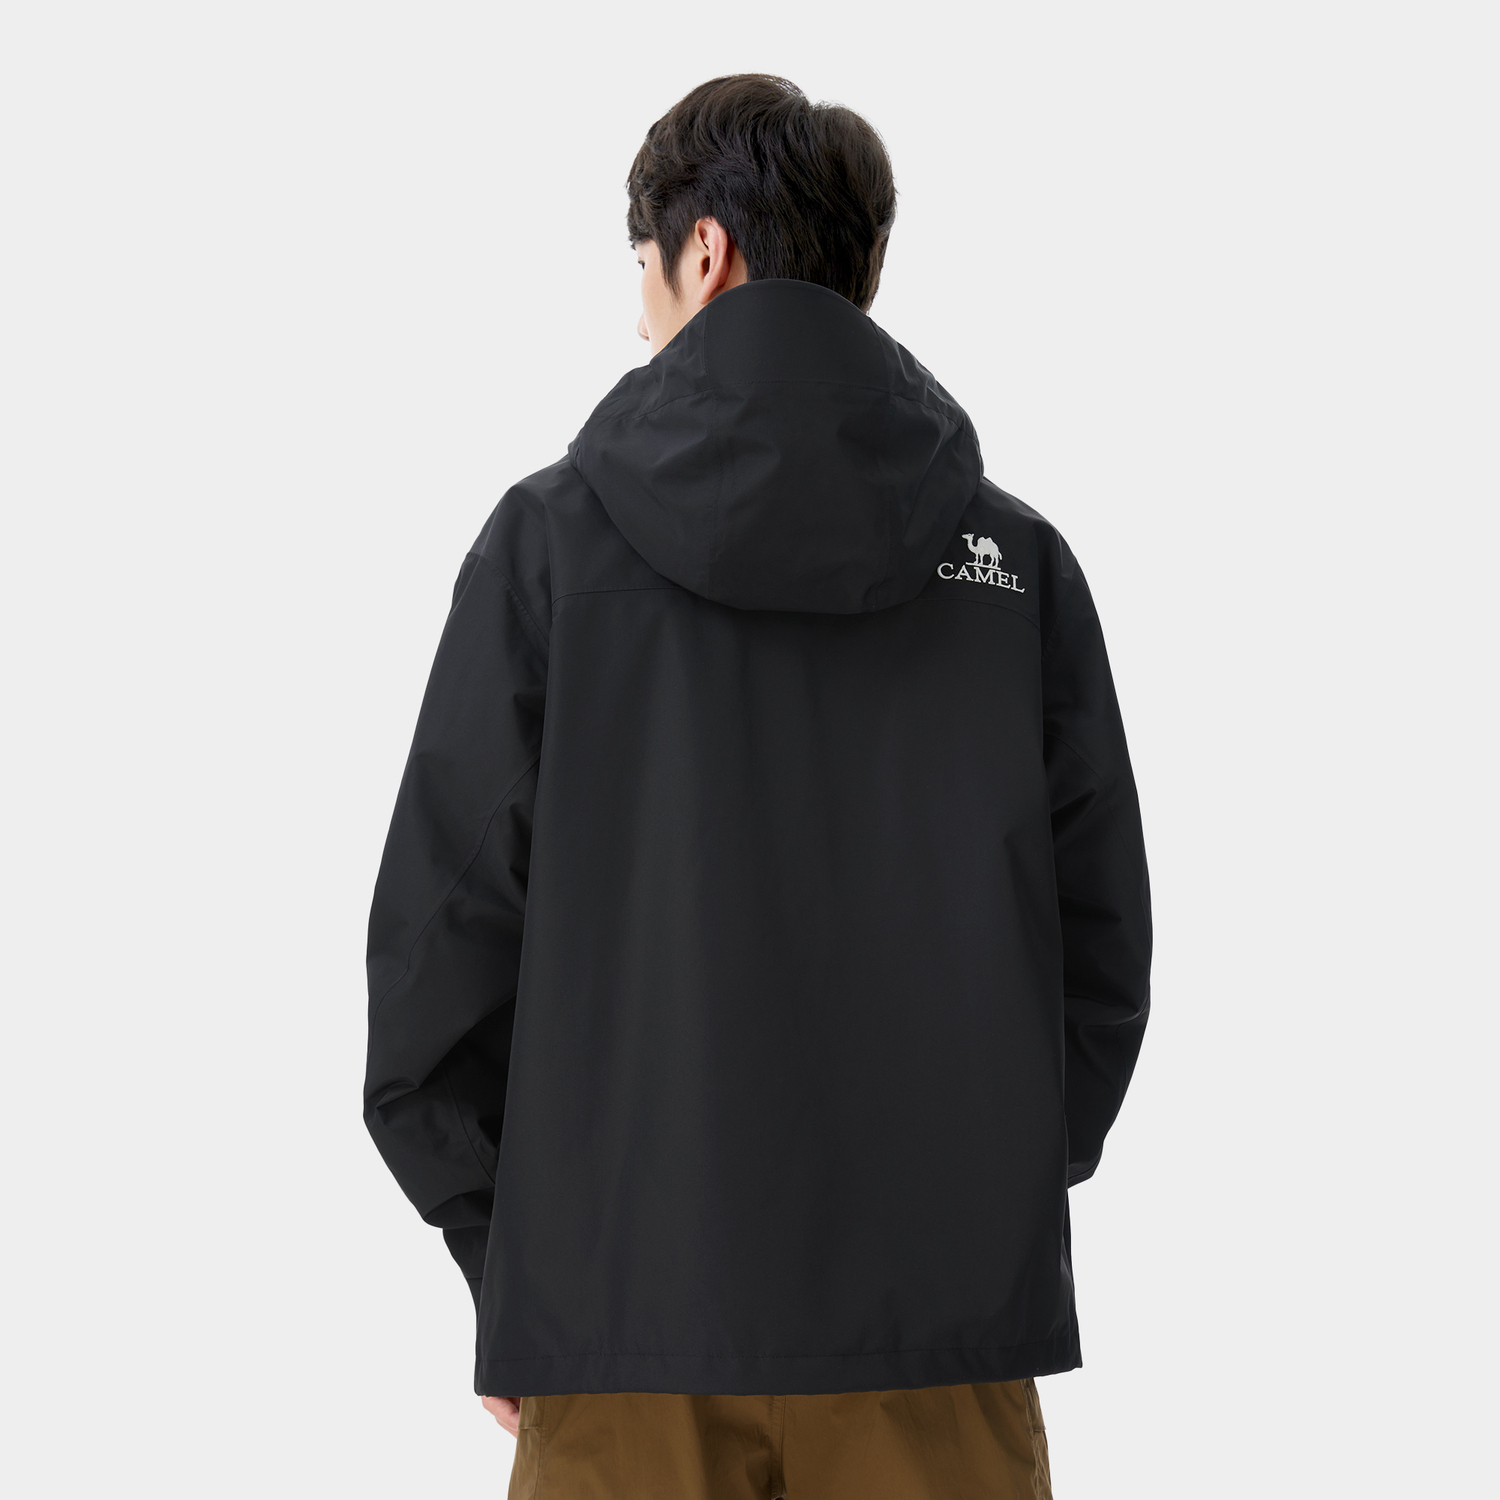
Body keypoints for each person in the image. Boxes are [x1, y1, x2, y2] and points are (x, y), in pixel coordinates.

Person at [363, 73, 1151, 1499]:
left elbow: (437, 951)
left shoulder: (549, 548)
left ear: (705, 250)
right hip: (940, 1346)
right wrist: (967, 1215)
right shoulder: (1018, 568)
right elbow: (1102, 961)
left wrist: (511, 1252)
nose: (640, 318)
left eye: (643, 271)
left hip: (619, 1333)